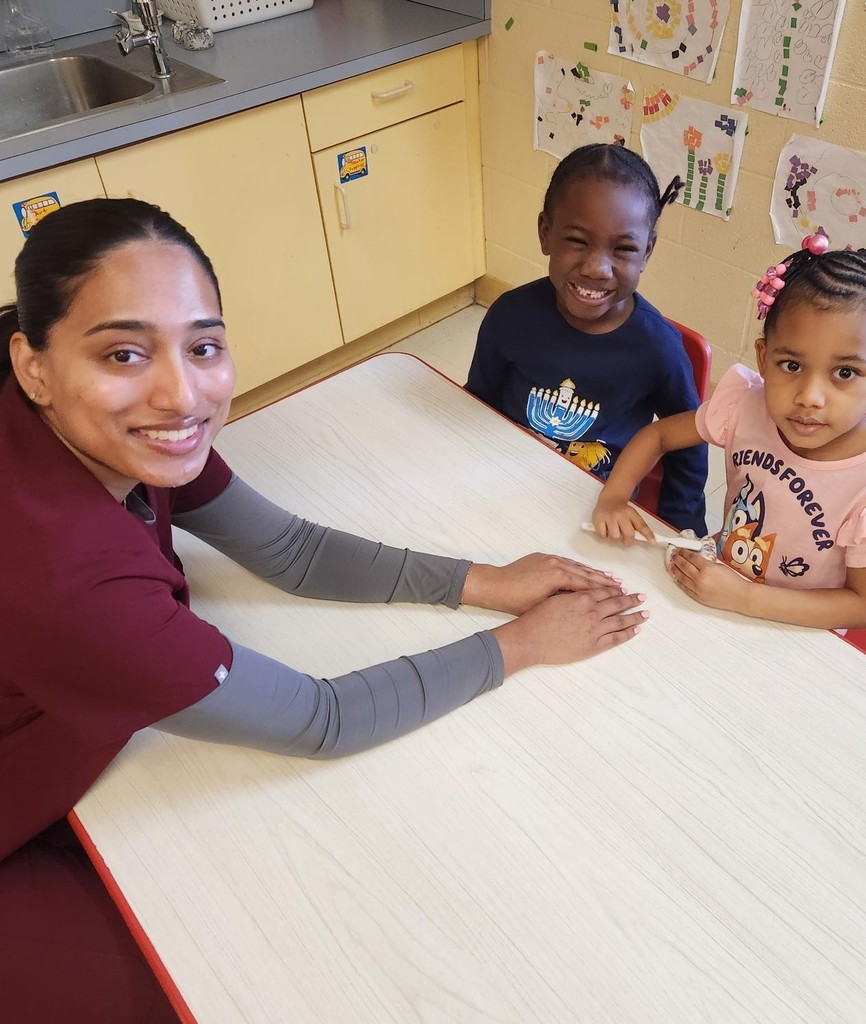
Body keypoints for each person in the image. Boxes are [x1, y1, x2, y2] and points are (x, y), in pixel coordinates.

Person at [0, 198, 648, 1022]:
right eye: (124, 352)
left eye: (204, 345)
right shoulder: (69, 581)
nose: (180, 391)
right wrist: (521, 644)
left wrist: (482, 578)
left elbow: (291, 551)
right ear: (34, 365)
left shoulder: (112, 427)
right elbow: (322, 719)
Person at [591, 233, 866, 632]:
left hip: (797, 630)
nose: (809, 397)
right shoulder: (747, 407)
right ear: (763, 357)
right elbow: (659, 436)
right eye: (791, 365)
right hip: (719, 590)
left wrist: (744, 598)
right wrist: (614, 498)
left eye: (845, 373)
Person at [465, 143, 708, 534]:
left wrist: (681, 530)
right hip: (501, 482)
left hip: (594, 506)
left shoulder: (657, 348)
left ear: (647, 251)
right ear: (546, 233)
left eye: (624, 249)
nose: (596, 268)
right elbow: (476, 404)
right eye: (577, 240)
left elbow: (687, 446)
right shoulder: (509, 316)